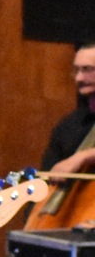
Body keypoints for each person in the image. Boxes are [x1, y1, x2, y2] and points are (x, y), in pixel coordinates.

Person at [41, 42, 95, 175]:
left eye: (88, 69)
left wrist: (84, 156)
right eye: (76, 70)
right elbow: (47, 174)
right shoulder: (68, 126)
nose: (79, 78)